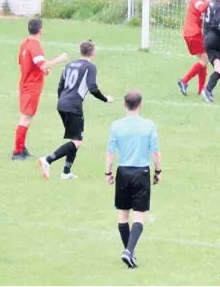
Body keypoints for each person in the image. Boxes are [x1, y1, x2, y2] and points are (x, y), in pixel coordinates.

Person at [38, 40, 113, 179]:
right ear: (93, 53)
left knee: (75, 139)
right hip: (73, 106)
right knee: (77, 142)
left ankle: (66, 172)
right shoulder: (90, 67)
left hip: (62, 103)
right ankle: (47, 160)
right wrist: (105, 99)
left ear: (80, 51)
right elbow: (93, 88)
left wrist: (62, 101)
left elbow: (60, 86)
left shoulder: (69, 65)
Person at [104, 90, 161, 268]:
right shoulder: (149, 125)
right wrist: (158, 171)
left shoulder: (116, 126)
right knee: (139, 215)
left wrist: (108, 173)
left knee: (122, 215)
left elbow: (110, 153)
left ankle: (130, 253)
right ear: (141, 105)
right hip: (141, 173)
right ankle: (129, 251)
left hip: (123, 172)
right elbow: (155, 152)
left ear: (124, 104)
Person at [12, 18, 68, 161]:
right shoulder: (35, 45)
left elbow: (27, 63)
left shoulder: (25, 43)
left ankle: (22, 148)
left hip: (26, 83)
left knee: (27, 117)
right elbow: (43, 65)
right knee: (25, 118)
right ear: (40, 30)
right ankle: (17, 152)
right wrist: (59, 59)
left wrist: (40, 70)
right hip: (31, 86)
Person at [177, 0, 210, 96]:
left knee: (203, 60)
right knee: (205, 59)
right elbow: (201, 8)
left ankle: (201, 90)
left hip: (195, 33)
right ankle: (184, 81)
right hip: (193, 33)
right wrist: (210, 2)